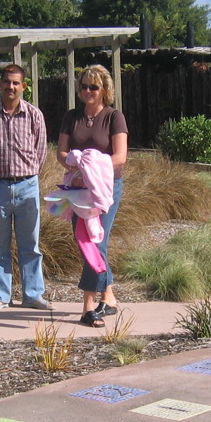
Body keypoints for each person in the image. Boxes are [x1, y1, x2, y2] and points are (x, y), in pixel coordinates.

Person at [0, 64, 53, 312]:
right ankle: (0, 296)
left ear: (24, 86)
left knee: (31, 245)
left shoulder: (33, 115)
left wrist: (28, 175)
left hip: (27, 186)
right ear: (0, 83)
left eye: (16, 83)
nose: (11, 86)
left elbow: (41, 150)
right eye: (7, 82)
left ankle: (33, 295)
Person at [57, 65, 128, 328]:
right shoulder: (72, 116)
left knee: (94, 242)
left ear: (105, 90)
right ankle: (108, 296)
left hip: (105, 189)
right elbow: (62, 153)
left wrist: (92, 165)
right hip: (77, 188)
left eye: (94, 87)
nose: (88, 91)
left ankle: (88, 306)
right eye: (84, 86)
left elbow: (120, 157)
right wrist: (75, 164)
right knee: (87, 242)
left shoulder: (114, 117)